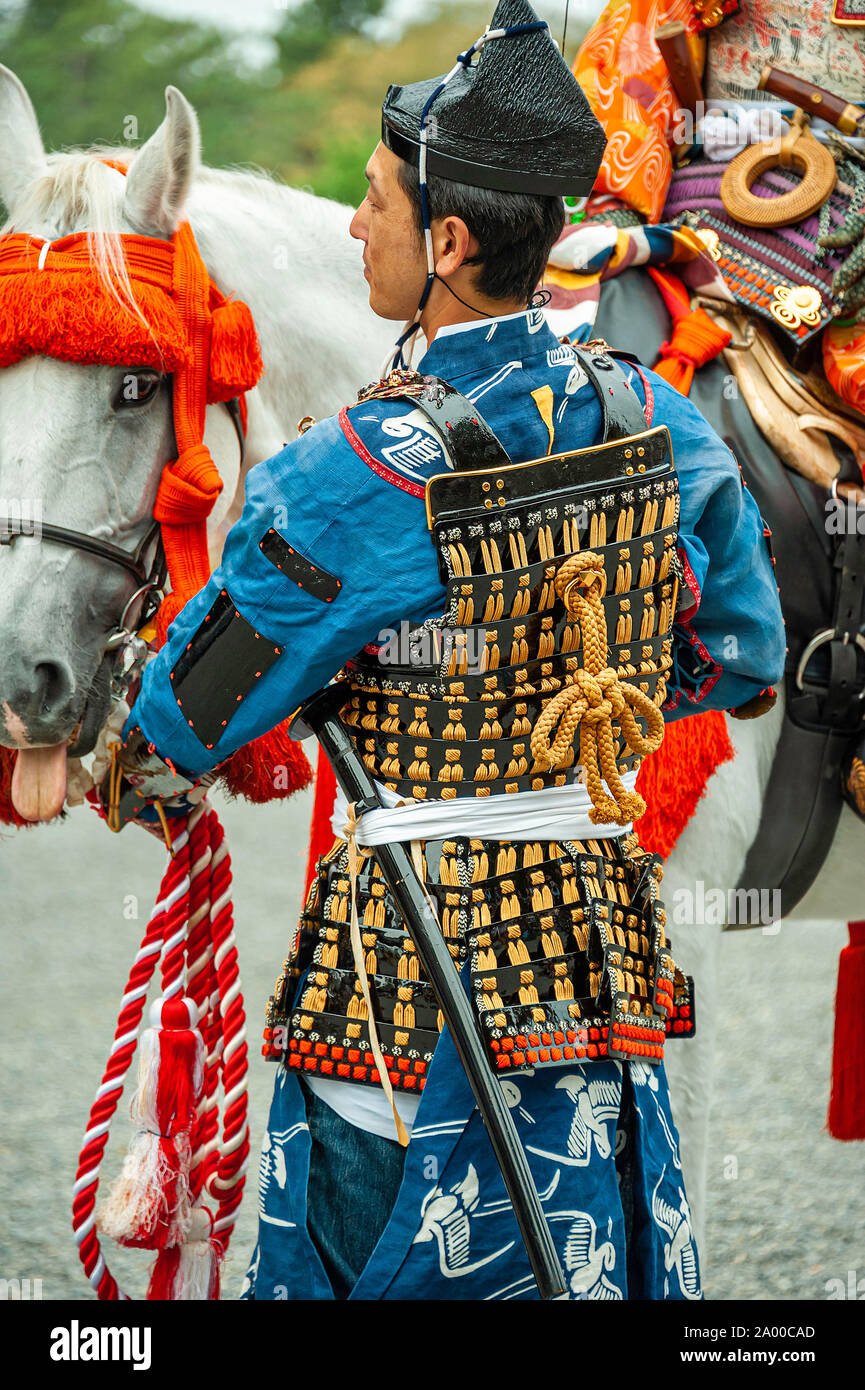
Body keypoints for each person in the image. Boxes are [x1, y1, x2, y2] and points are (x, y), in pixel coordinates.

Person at [100, 0, 785, 1301]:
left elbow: (189, 715)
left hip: (403, 972)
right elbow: (740, 654)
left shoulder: (352, 470)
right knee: (589, 1253)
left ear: (452, 240)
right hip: (596, 954)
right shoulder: (663, 418)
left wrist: (132, 753)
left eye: (372, 202)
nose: (353, 225)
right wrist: (586, 696)